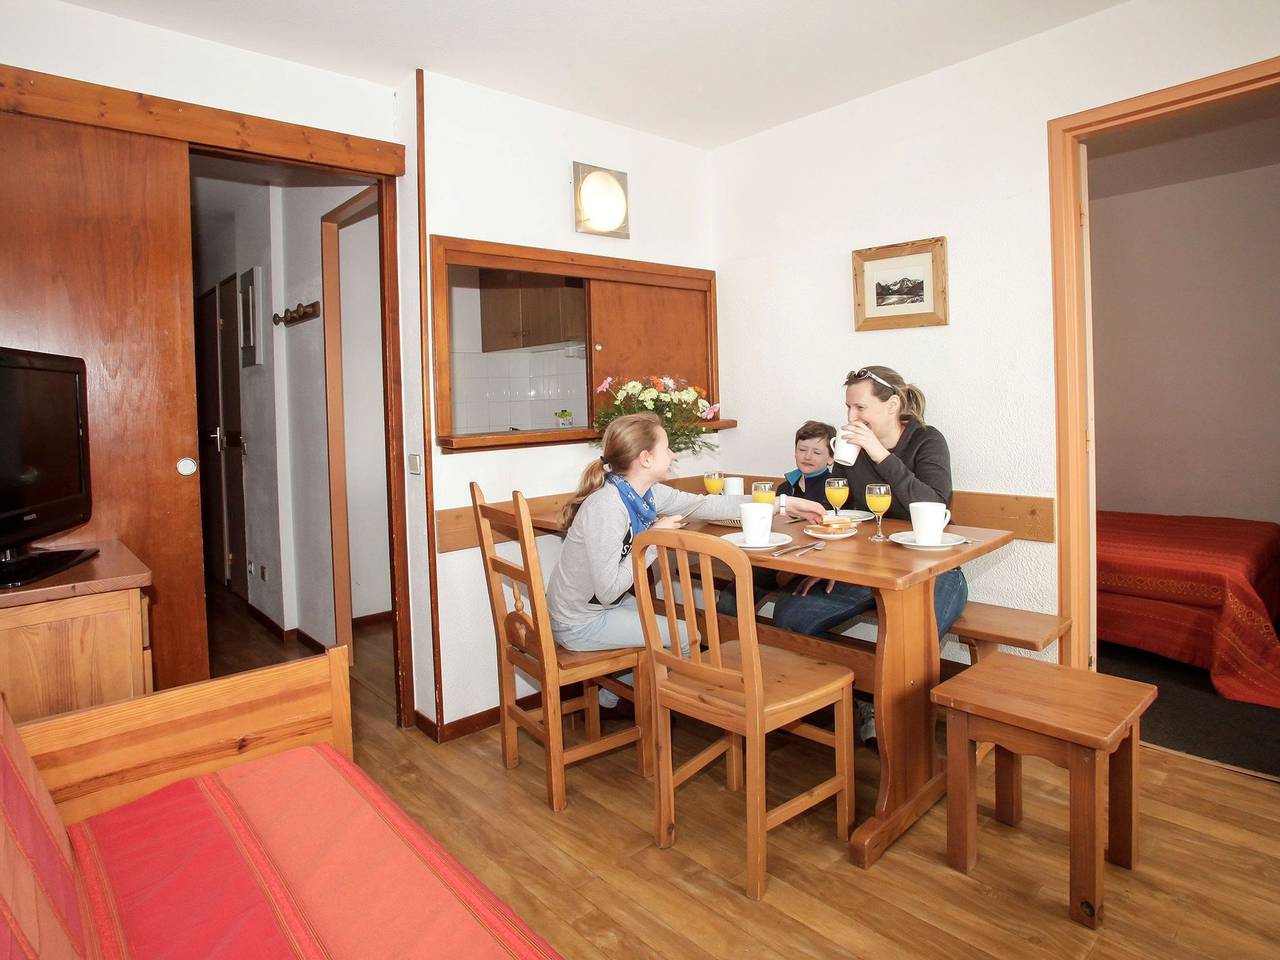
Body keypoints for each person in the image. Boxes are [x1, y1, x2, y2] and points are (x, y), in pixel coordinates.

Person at [769, 366, 968, 749]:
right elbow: (840, 508)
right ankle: (855, 697)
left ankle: (895, 725)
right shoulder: (851, 450)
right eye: (847, 409)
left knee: (910, 644)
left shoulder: (926, 441)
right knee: (790, 616)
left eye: (859, 409)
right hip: (868, 568)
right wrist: (828, 556)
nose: (850, 420)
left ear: (892, 405)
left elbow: (935, 506)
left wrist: (878, 452)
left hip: (933, 569)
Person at [546, 412, 746, 706]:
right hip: (577, 621)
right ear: (646, 458)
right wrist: (651, 540)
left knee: (669, 624)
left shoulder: (646, 494)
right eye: (666, 448)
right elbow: (608, 590)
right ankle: (685, 710)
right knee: (686, 634)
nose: (673, 454)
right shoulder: (607, 506)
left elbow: (705, 504)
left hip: (598, 608)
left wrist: (780, 503)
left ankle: (613, 698)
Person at [717, 419, 837, 616]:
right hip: (774, 557)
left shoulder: (834, 488)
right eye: (802, 449)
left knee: (790, 611)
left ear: (831, 458)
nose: (807, 456)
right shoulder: (785, 487)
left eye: (817, 452)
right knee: (730, 600)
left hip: (811, 562)